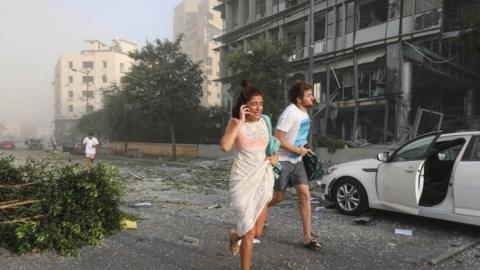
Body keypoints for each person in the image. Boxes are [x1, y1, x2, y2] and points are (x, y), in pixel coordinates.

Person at [220, 81, 278, 270]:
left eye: (261, 103)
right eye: (254, 104)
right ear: (245, 105)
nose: (258, 108)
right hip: (242, 179)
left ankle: (234, 235)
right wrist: (241, 123)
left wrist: (274, 157)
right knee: (250, 231)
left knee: (257, 232)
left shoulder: (266, 121)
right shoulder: (235, 123)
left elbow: (271, 147)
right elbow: (225, 146)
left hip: (262, 177)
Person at [268, 80, 322, 251]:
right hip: (282, 160)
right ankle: (258, 213)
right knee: (277, 198)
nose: (312, 97)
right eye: (308, 95)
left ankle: (307, 238)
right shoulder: (290, 113)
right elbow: (277, 139)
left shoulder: (304, 114)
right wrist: (298, 150)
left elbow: (298, 136)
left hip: (297, 161)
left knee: (305, 195)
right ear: (299, 99)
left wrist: (305, 148)